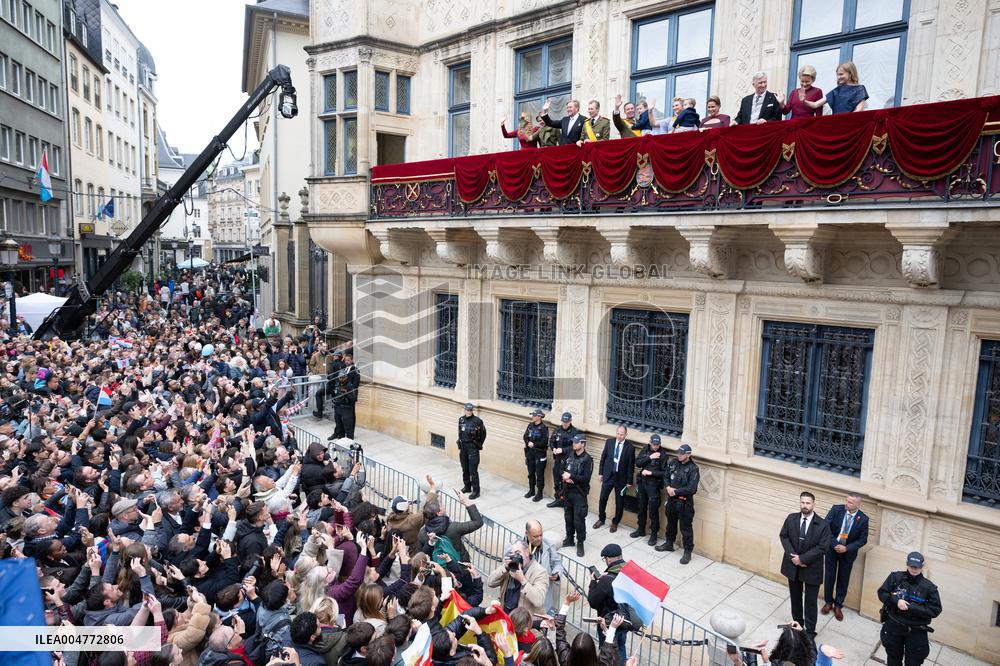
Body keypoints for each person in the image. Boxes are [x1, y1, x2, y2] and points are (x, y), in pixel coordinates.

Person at [778, 491, 830, 638]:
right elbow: (784, 536)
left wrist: (803, 559)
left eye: (808, 503)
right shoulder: (791, 518)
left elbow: (822, 547)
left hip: (811, 568)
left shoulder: (823, 525)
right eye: (802, 502)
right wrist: (793, 557)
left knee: (810, 601)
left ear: (813, 504)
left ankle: (810, 630)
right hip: (792, 566)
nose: (805, 505)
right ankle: (797, 623)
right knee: (795, 597)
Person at [877, 551, 942, 666]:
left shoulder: (929, 587)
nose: (914, 569)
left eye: (917, 567)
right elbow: (882, 592)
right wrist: (897, 601)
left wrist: (911, 607)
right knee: (893, 658)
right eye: (912, 566)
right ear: (907, 564)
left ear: (922, 567)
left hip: (915, 629)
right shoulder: (895, 577)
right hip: (894, 625)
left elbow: (935, 610)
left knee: (913, 662)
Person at [822, 492, 869, 621]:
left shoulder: (863, 519)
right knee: (829, 576)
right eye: (846, 500)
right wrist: (835, 544)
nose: (846, 504)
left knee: (843, 579)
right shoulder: (836, 509)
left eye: (850, 502)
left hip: (848, 554)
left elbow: (863, 540)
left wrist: (847, 548)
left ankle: (838, 605)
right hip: (832, 549)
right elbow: (826, 527)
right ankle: (828, 602)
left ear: (858, 505)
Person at [656, 443, 700, 564]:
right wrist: (668, 487)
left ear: (688, 454)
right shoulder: (673, 462)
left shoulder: (693, 469)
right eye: (678, 453)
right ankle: (669, 543)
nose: (679, 455)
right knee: (671, 524)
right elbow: (665, 476)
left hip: (684, 503)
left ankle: (687, 552)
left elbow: (692, 489)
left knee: (686, 528)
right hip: (672, 501)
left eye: (682, 454)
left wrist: (675, 491)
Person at [586, 544, 627, 664]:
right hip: (624, 620)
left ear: (609, 559)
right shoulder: (628, 572)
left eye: (605, 559)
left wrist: (593, 583)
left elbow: (593, 601)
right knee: (621, 647)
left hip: (608, 623)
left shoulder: (606, 580)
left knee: (607, 650)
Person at [487, 540, 549, 617]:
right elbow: (490, 583)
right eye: (512, 555)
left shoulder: (540, 572)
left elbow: (539, 600)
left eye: (518, 553)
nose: (515, 558)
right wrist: (505, 568)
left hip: (524, 622)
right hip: (506, 616)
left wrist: (522, 580)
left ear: (527, 552)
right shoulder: (509, 568)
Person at [594, 425, 635, 534]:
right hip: (608, 476)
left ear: (626, 435)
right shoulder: (609, 442)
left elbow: (631, 466)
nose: (619, 436)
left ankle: (615, 522)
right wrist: (600, 473)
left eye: (622, 434)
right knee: (602, 498)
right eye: (618, 433)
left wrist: (629, 481)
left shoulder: (630, 448)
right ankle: (601, 518)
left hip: (621, 478)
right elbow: (603, 458)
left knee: (619, 502)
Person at [631, 434, 667, 547]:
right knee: (641, 508)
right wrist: (650, 457)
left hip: (653, 486)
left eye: (657, 445)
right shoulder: (645, 449)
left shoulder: (663, 455)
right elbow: (638, 463)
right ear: (650, 442)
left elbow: (665, 473)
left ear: (660, 444)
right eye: (653, 444)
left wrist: (652, 473)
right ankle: (641, 529)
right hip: (642, 483)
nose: (655, 447)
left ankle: (654, 534)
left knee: (653, 511)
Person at [518, 519, 562, 614]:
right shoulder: (517, 547)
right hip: (522, 602)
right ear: (526, 533)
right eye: (535, 536)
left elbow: (557, 564)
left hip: (543, 602)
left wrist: (557, 574)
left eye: (541, 535)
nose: (539, 538)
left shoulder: (548, 545)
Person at [561, 433, 593, 557]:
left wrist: (571, 477)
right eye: (573, 442)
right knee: (568, 517)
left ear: (583, 444)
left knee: (578, 519)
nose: (573, 444)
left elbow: (586, 478)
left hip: (579, 494)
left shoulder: (587, 459)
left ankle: (580, 542)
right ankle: (569, 539)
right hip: (568, 491)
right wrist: (564, 477)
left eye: (576, 442)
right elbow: (562, 469)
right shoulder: (570, 455)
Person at [803, 61, 868, 114]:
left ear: (850, 74)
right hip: (837, 124)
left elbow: (859, 110)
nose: (838, 77)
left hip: (851, 124)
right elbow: (815, 104)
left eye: (841, 74)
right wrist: (804, 101)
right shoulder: (836, 91)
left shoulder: (860, 89)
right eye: (837, 75)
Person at [547, 412, 578, 508]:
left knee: (566, 483)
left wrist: (563, 450)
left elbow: (575, 447)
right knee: (557, 481)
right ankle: (558, 500)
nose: (565, 423)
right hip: (557, 461)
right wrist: (554, 449)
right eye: (563, 421)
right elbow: (551, 442)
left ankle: (566, 502)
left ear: (570, 421)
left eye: (567, 422)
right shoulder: (557, 430)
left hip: (568, 462)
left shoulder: (575, 432)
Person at [328, 352, 360, 441]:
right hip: (340, 396)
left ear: (351, 360)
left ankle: (350, 433)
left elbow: (356, 384)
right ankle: (338, 432)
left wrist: (347, 390)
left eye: (348, 360)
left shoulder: (355, 370)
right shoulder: (342, 368)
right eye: (346, 360)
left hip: (350, 395)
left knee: (350, 416)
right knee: (338, 416)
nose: (347, 362)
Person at [457, 403, 486, 499]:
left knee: (473, 470)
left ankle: (476, 491)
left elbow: (483, 434)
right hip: (463, 447)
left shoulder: (477, 421)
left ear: (472, 411)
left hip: (472, 448)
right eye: (467, 410)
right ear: (464, 410)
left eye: (470, 410)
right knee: (464, 469)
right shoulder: (461, 420)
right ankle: (467, 487)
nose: (468, 412)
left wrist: (477, 444)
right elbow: (460, 433)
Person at [522, 409, 548, 502]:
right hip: (530, 454)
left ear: (539, 417)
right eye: (532, 415)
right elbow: (525, 436)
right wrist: (528, 442)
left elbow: (544, 442)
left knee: (539, 475)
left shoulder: (544, 428)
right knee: (531, 473)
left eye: (534, 415)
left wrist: (534, 445)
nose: (532, 417)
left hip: (539, 454)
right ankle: (531, 490)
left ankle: (539, 493)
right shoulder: (530, 425)